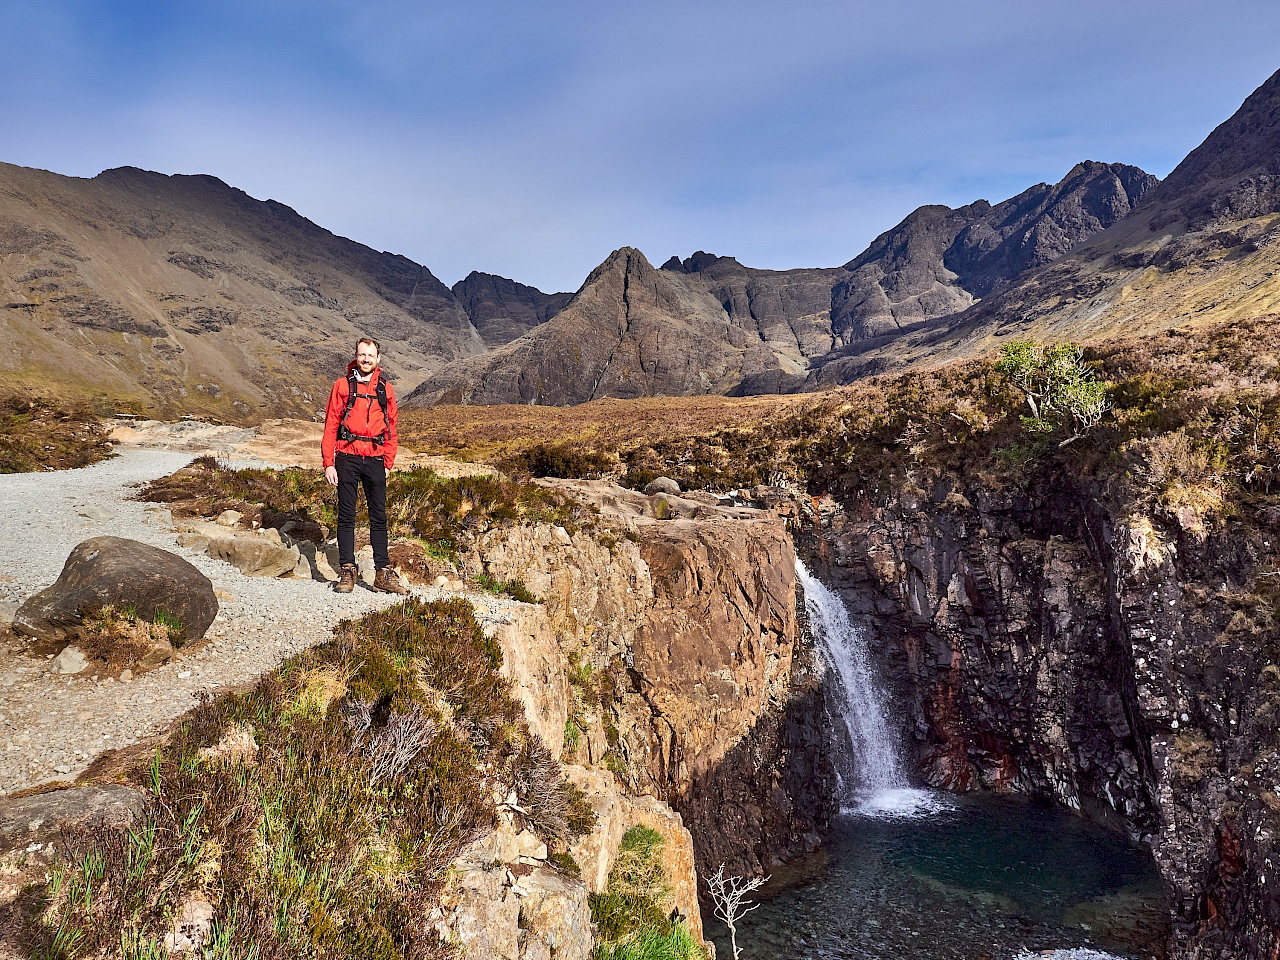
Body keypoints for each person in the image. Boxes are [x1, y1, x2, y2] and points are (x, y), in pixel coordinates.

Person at [321, 337, 408, 595]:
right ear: (356, 356)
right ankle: (347, 570)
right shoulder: (341, 386)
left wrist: (388, 462)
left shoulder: (386, 389)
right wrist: (329, 463)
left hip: (375, 460)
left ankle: (382, 572)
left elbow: (391, 429)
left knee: (378, 517)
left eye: (370, 355)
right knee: (346, 515)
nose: (366, 359)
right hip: (347, 457)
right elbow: (330, 426)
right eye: (362, 355)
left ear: (378, 359)